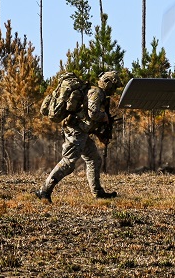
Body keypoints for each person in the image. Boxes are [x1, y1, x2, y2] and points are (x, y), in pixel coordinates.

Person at [35, 71, 122, 202]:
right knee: (68, 162)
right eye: (114, 87)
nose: (114, 90)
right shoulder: (96, 93)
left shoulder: (99, 94)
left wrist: (99, 134)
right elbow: (93, 114)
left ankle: (98, 193)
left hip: (82, 132)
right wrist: (103, 117)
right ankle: (44, 191)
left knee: (94, 159)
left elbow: (88, 120)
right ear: (108, 83)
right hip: (75, 132)